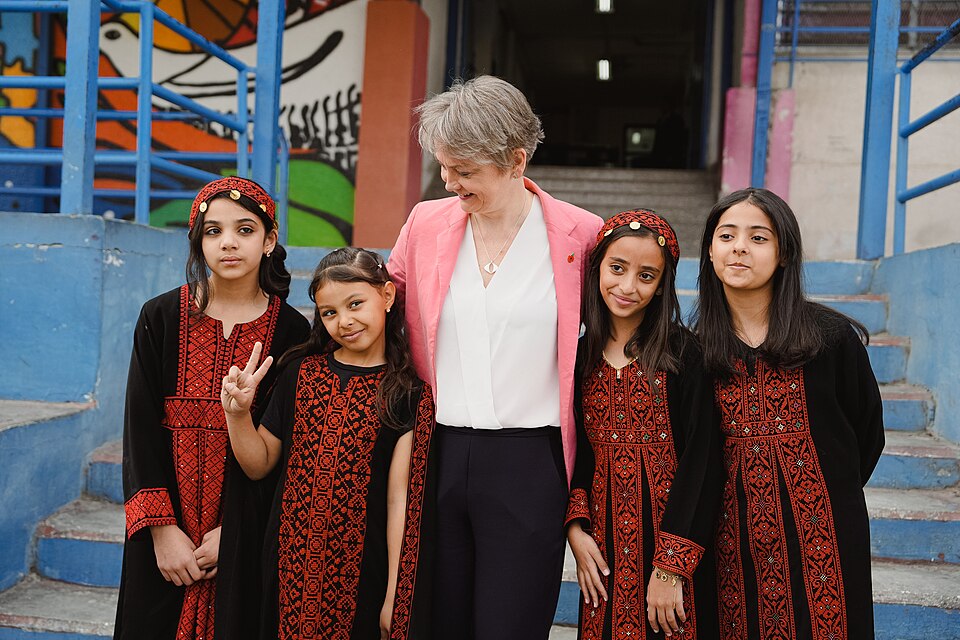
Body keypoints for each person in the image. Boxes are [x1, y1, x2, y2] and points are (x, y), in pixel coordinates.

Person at [386, 75, 604, 640]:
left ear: (515, 160)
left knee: (510, 625)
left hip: (531, 462)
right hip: (438, 451)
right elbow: (377, 312)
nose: (448, 181)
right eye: (443, 166)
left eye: (464, 170)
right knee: (440, 622)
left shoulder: (582, 234)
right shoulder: (424, 224)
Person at [114, 176, 311, 640]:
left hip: (243, 542)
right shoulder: (159, 317)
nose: (228, 243)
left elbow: (290, 450)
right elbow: (139, 430)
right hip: (165, 545)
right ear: (198, 242)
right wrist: (161, 531)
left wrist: (236, 533)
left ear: (270, 241)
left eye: (245, 230)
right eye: (213, 231)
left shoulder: (292, 331)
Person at [693, 188, 885, 639]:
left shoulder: (831, 339)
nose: (739, 247)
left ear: (783, 255)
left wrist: (820, 496)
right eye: (727, 235)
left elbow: (867, 434)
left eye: (759, 238)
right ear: (711, 250)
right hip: (731, 539)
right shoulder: (695, 352)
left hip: (825, 536)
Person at [220, 247, 436, 640]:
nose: (344, 321)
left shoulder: (407, 393)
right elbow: (259, 463)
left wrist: (393, 594)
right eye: (329, 312)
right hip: (287, 565)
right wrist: (237, 415)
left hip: (360, 574)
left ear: (386, 296)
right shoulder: (298, 373)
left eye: (356, 304)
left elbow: (398, 500)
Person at [565, 210, 722, 640]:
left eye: (646, 275)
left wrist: (671, 567)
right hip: (603, 552)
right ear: (597, 267)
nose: (628, 286)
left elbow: (702, 463)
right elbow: (577, 452)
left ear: (661, 286)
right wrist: (576, 532)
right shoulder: (579, 359)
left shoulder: (684, 355)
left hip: (673, 547)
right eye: (617, 268)